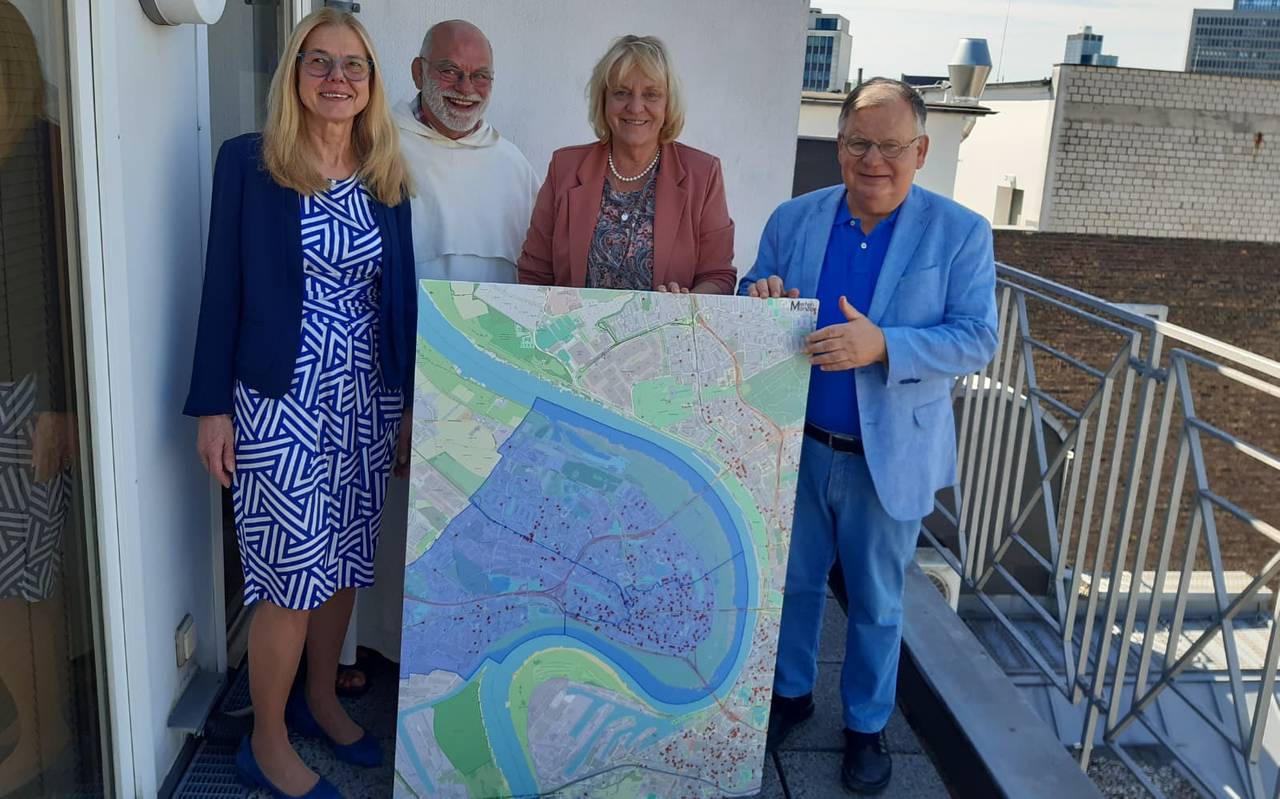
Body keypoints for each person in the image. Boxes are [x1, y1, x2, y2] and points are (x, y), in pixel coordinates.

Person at [739, 78, 997, 794]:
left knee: (879, 602)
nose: (872, 159)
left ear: (921, 150)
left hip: (890, 458)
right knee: (790, 586)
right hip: (800, 444)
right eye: (858, 142)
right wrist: (757, 295)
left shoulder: (961, 231)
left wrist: (885, 344)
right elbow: (751, 288)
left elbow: (978, 339)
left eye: (889, 146)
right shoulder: (794, 218)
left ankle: (865, 726)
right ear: (839, 145)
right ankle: (790, 695)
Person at [182, 8, 415, 797]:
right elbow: (219, 289)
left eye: (354, 66)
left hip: (365, 394)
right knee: (287, 572)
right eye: (320, 63)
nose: (337, 79)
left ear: (372, 84)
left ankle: (319, 697)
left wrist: (409, 402)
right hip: (277, 396)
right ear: (295, 74)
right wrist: (212, 405)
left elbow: (402, 297)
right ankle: (267, 737)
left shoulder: (387, 168)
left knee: (345, 553)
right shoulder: (249, 165)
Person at [518, 34, 735, 294]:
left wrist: (685, 309)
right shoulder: (565, 168)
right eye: (622, 93)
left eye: (651, 94)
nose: (635, 107)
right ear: (604, 100)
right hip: (573, 333)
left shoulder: (703, 174)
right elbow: (534, 273)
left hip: (665, 333)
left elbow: (718, 277)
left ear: (668, 104)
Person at [395, 18, 540, 283]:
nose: (465, 88)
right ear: (418, 72)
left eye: (480, 76)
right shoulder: (381, 150)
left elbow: (539, 268)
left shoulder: (513, 166)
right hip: (404, 322)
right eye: (450, 71)